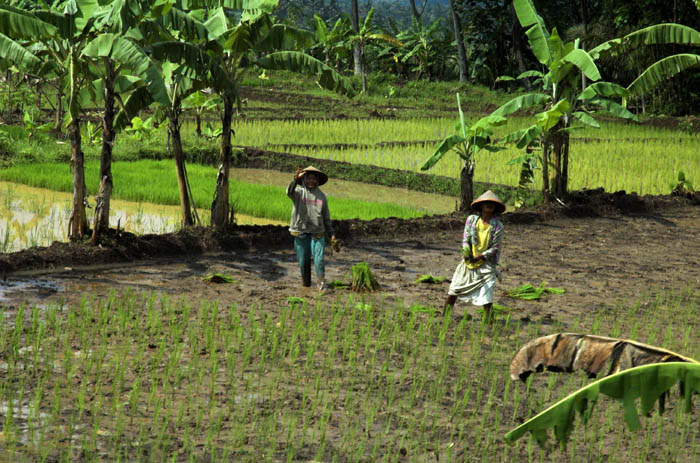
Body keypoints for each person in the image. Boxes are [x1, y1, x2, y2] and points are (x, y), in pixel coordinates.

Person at [444, 190, 506, 321]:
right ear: (481, 206)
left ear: (495, 208)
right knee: (454, 289)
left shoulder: (498, 226)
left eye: (492, 204)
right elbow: (466, 239)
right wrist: (467, 253)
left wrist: (482, 256)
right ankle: (444, 316)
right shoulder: (472, 220)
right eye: (486, 203)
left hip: (486, 264)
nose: (489, 205)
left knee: (487, 295)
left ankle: (489, 320)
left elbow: (495, 247)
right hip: (469, 262)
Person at [286, 166, 336, 290]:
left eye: (314, 179)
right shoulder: (298, 193)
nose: (311, 181)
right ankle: (306, 284)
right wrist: (294, 180)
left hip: (318, 233)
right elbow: (288, 192)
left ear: (317, 181)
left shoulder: (321, 196)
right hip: (300, 231)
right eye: (309, 178)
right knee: (303, 262)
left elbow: (326, 216)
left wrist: (331, 233)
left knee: (319, 260)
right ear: (304, 179)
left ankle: (321, 283)